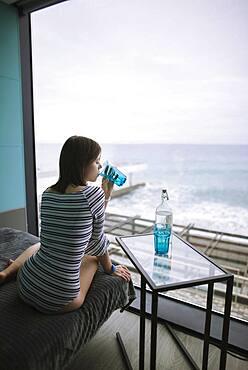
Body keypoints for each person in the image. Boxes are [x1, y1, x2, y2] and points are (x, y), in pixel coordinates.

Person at [0, 135, 131, 314]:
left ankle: (7, 273)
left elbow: (82, 221)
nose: (100, 166)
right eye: (96, 161)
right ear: (82, 164)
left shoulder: (47, 194)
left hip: (26, 283)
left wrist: (104, 196)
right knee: (93, 259)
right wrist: (111, 269)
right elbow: (97, 243)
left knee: (40, 244)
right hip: (59, 299)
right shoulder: (94, 195)